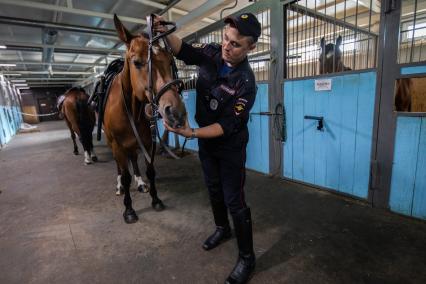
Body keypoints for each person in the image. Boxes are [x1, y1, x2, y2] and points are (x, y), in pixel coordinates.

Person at [155, 12, 261, 284]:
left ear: (251, 47)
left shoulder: (246, 84)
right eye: (226, 38)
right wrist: (164, 31)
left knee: (234, 199)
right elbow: (185, 50)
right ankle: (222, 228)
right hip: (206, 142)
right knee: (212, 188)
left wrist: (190, 133)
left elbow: (226, 126)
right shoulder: (213, 53)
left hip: (229, 146)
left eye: (236, 44)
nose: (227, 46)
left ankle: (247, 258)